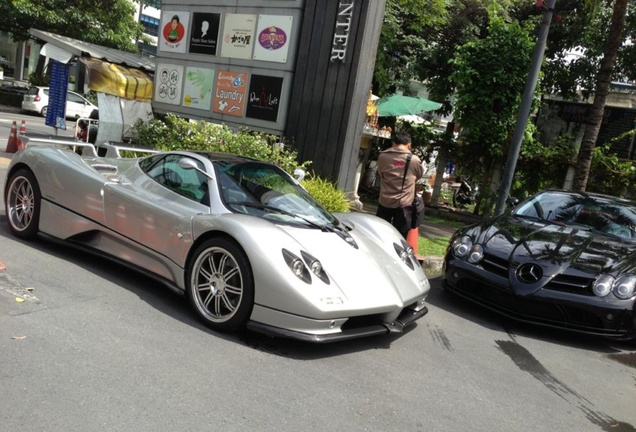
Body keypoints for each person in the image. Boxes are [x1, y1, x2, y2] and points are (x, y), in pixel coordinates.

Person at [375, 131, 424, 238]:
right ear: (409, 145)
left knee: (380, 234)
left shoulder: (383, 156)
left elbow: (380, 173)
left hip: (385, 201)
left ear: (393, 143)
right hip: (404, 204)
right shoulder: (414, 160)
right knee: (400, 237)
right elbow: (419, 175)